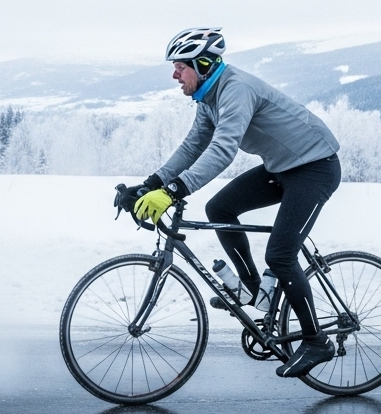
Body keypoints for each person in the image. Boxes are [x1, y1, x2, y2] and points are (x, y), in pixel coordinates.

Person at [129, 27, 342, 379]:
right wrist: (149, 184)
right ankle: (254, 290)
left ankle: (316, 340)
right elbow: (192, 147)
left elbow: (223, 149)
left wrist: (173, 191)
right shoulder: (208, 97)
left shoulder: (235, 90)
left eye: (180, 67)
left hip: (315, 168)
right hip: (283, 167)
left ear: (201, 64)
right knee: (220, 210)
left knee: (281, 254)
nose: (174, 75)